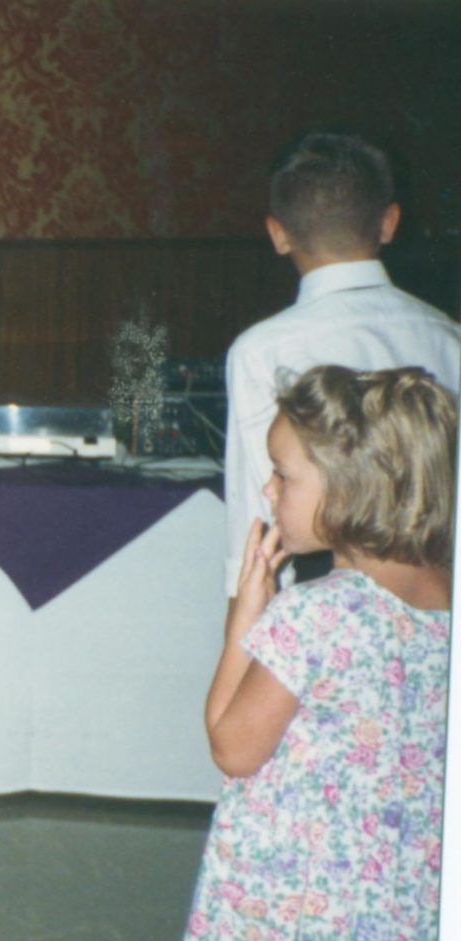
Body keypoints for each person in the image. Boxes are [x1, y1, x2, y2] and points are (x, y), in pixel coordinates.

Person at [174, 365, 454, 941]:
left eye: (284, 475)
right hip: (403, 908)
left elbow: (231, 747)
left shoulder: (316, 615)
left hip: (301, 909)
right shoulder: (446, 599)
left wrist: (246, 617)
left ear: (352, 487)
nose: (268, 491)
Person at [222, 129, 461, 599]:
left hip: (324, 598)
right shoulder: (449, 337)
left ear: (278, 233)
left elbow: (254, 519)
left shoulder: (261, 349)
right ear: (389, 222)